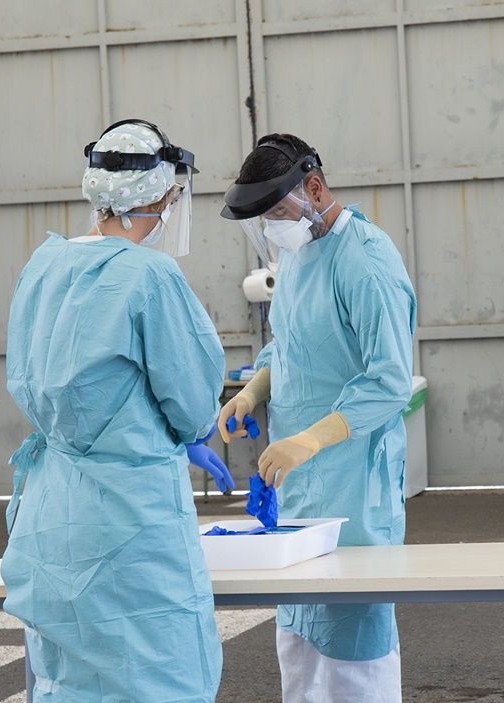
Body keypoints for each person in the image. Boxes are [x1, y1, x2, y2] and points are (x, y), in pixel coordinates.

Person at [1, 119, 233, 701]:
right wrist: (191, 433)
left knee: (68, 682)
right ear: (165, 195)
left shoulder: (44, 266)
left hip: (54, 514)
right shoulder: (150, 276)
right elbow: (193, 399)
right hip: (131, 523)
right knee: (159, 678)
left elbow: (32, 378)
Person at [218, 133, 417, 702]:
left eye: (277, 212)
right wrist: (251, 393)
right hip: (300, 481)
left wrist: (311, 438)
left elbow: (388, 380)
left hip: (353, 479)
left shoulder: (367, 260)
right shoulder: (300, 253)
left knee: (353, 643)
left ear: (314, 187)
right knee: (300, 641)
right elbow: (289, 347)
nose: (274, 228)